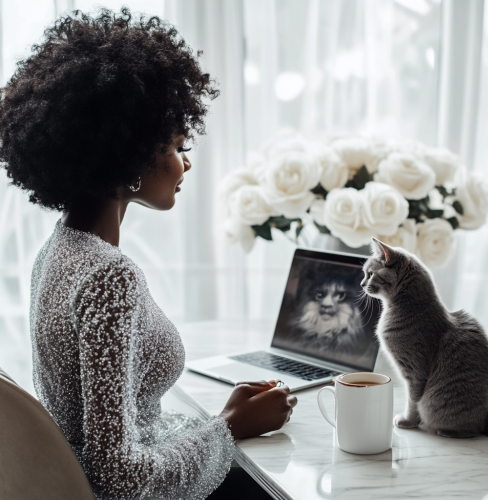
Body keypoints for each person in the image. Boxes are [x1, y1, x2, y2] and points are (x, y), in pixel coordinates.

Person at [0, 8, 297, 500]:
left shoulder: (56, 252)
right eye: (178, 144)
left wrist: (224, 418)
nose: (187, 161)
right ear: (131, 155)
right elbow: (119, 479)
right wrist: (228, 425)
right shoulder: (108, 277)